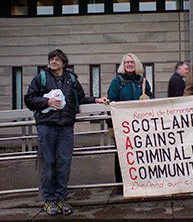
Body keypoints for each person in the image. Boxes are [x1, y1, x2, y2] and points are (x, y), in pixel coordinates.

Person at [25, 49, 108, 216]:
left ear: (64, 62)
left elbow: (80, 98)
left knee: (64, 163)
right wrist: (46, 101)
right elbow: (29, 99)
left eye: (57, 59)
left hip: (66, 127)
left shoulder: (71, 79)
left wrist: (96, 99)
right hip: (46, 126)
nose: (53, 62)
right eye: (51, 59)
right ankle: (49, 200)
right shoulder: (41, 78)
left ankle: (61, 197)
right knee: (48, 163)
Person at [107, 53, 153, 185]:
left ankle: (141, 181)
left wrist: (148, 99)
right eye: (127, 62)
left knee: (141, 154)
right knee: (122, 155)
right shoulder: (117, 82)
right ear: (123, 65)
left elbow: (152, 99)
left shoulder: (143, 82)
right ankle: (122, 183)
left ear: (136, 64)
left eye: (132, 62)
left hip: (140, 126)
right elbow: (112, 101)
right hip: (123, 126)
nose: (129, 64)